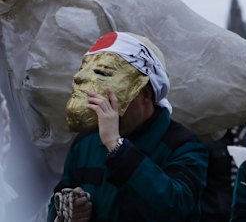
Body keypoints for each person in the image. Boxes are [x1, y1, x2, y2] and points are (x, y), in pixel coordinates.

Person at [47, 32, 208, 222]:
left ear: (145, 94)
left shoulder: (183, 145)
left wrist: (117, 147)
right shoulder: (86, 143)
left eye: (104, 75)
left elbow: (174, 207)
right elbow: (56, 204)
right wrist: (66, 213)